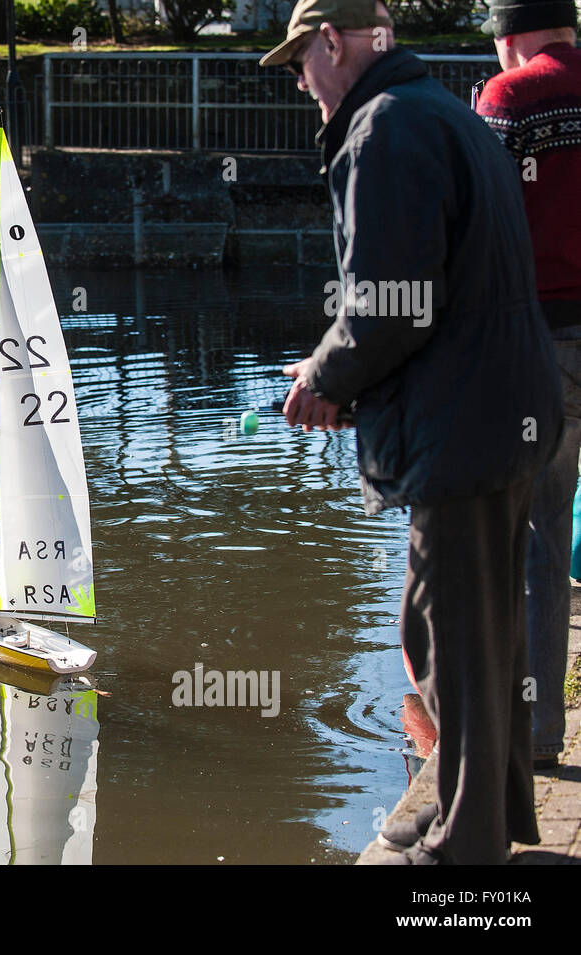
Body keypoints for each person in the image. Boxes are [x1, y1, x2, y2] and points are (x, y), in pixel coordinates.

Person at [262, 0, 563, 863]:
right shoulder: (445, 112)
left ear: (331, 43)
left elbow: (393, 299)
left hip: (463, 425)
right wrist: (338, 370)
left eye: (298, 64)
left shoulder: (383, 128)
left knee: (451, 637)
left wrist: (326, 376)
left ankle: (467, 850)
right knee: (480, 626)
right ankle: (487, 811)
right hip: (504, 407)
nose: (300, 84)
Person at [475, 0, 581, 773]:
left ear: (509, 41)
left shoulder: (511, 97)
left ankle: (535, 734)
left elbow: (477, 216)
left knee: (532, 532)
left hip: (537, 339)